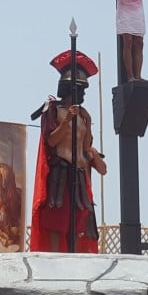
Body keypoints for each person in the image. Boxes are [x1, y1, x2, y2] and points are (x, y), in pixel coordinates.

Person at [29, 50, 107, 252]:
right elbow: (51, 140)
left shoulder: (82, 116)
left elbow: (86, 146)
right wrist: (66, 121)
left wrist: (88, 120)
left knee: (78, 222)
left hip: (79, 174)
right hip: (61, 173)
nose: (84, 95)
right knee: (57, 219)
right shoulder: (53, 110)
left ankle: (74, 258)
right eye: (81, 90)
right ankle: (56, 258)